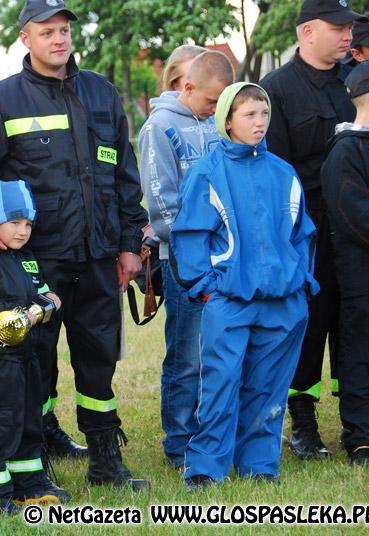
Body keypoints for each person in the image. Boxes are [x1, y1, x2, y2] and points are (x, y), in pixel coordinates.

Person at [0, 0, 149, 490]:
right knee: (31, 366)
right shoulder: (3, 99)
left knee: (99, 363)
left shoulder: (102, 93)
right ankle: (34, 467)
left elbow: (125, 175)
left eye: (64, 29)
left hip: (98, 255)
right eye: (47, 31)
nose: (59, 39)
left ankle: (106, 462)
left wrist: (131, 243)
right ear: (25, 39)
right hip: (34, 262)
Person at [170, 82, 318, 487]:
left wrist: (300, 282)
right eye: (249, 114)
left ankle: (258, 464)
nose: (259, 122)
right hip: (228, 301)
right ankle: (206, 468)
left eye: (263, 113)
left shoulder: (283, 172)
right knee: (220, 383)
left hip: (284, 303)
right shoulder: (207, 172)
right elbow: (189, 237)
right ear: (228, 121)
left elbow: (302, 234)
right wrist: (207, 288)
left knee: (269, 389)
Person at [260, 0, 366, 460]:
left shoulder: (360, 81)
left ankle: (360, 419)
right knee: (308, 324)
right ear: (306, 31)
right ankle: (302, 421)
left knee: (358, 322)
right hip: (307, 228)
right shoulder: (276, 89)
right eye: (337, 27)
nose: (347, 35)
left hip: (360, 226)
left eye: (349, 28)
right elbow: (271, 175)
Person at [138, 50, 234, 470]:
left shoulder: (215, 124)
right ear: (187, 87)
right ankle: (179, 441)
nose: (217, 110)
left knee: (218, 349)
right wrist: (194, 251)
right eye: (212, 101)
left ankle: (211, 429)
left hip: (224, 259)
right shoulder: (159, 127)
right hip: (184, 261)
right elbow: (162, 200)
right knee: (187, 355)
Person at [0, 179, 69, 514]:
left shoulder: (27, 260)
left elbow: (50, 298)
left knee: (28, 421)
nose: (22, 231)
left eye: (28, 224)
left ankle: (29, 485)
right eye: (13, 223)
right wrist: (19, 314)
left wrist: (41, 309)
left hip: (28, 357)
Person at [320, 60, 369, 467]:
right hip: (363, 278)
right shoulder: (346, 150)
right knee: (360, 358)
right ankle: (361, 439)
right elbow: (354, 217)